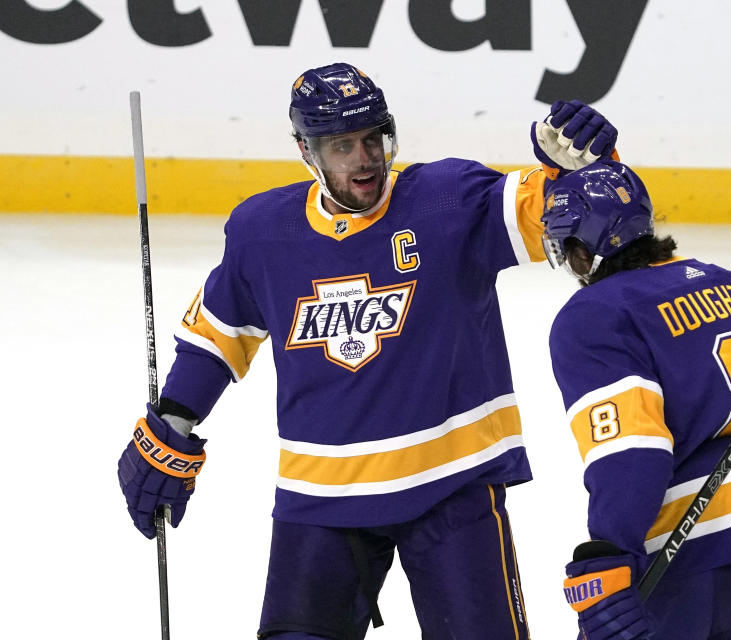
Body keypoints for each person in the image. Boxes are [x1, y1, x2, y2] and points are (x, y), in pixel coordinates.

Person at [116, 62, 618, 640]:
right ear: (307, 151)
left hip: (452, 486)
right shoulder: (263, 232)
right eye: (342, 145)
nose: (364, 158)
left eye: (372, 138)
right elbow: (219, 332)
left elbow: (575, 215)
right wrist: (175, 418)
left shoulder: (447, 202)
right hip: (322, 497)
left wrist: (594, 171)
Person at [540, 161, 731, 639]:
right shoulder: (722, 283)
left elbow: (632, 453)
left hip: (679, 565)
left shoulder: (593, 315)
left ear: (583, 251)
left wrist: (611, 554)